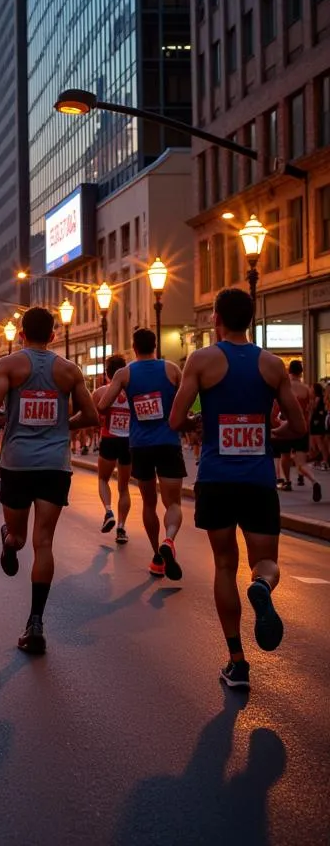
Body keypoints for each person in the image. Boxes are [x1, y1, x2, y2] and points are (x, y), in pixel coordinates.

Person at [170, 287, 306, 689]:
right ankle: (262, 587)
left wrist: (198, 423)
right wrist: (269, 429)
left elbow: (177, 418)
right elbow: (297, 426)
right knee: (264, 562)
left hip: (216, 477)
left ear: (216, 318)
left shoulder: (202, 360)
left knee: (225, 565)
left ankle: (237, 661)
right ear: (250, 318)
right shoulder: (272, 364)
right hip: (259, 479)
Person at [0, 307, 98, 653]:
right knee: (43, 543)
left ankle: (8, 540)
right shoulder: (69, 370)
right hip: (54, 464)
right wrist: (60, 426)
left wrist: (13, 421)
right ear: (53, 334)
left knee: (17, 537)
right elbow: (91, 415)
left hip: (17, 462)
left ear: (20, 333)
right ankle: (35, 622)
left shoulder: (8, 365)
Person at [97, 328, 186, 580]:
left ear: (134, 348)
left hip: (140, 446)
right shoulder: (171, 369)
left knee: (149, 503)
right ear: (155, 346)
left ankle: (157, 556)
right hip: (169, 442)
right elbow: (193, 399)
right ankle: (169, 540)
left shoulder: (125, 373)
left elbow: (103, 405)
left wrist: (131, 397)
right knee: (174, 503)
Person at [94, 355, 132, 544]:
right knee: (124, 488)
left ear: (107, 373)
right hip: (129, 442)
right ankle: (122, 528)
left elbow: (94, 416)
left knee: (102, 479)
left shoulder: (101, 392)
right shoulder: (134, 393)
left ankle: (108, 510)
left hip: (109, 439)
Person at [276, 360, 321, 501]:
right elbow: (310, 409)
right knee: (301, 463)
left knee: (285, 455)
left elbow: (278, 407)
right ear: (301, 371)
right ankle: (314, 481)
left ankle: (287, 481)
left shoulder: (284, 386)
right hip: (302, 427)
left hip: (287, 424)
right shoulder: (306, 389)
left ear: (289, 371)